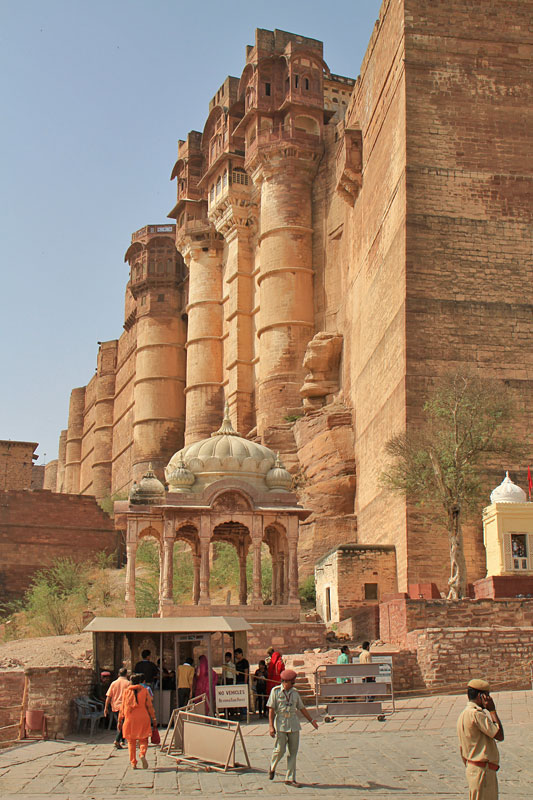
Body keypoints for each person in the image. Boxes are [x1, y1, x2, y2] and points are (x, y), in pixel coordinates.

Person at [267, 668, 319, 787]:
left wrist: (311, 721)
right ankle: (273, 766)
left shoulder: (295, 693)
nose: (293, 684)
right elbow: (271, 710)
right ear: (285, 681)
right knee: (280, 749)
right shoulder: (275, 692)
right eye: (292, 682)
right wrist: (270, 726)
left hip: (293, 724)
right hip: (280, 723)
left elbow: (301, 708)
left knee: (293, 752)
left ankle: (290, 778)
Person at [457, 678, 504, 800]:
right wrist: (492, 710)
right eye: (487, 696)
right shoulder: (476, 714)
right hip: (482, 771)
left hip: (473, 769)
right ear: (481, 696)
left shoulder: (463, 714)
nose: (489, 699)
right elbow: (499, 735)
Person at [118, 673, 157, 770]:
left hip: (130, 718)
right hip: (143, 717)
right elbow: (149, 706)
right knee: (143, 739)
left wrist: (120, 720)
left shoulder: (126, 692)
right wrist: (154, 718)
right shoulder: (144, 691)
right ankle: (142, 753)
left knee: (131, 741)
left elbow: (122, 707)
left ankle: (133, 762)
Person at [104, 667, 130, 749]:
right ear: (126, 674)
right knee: (123, 724)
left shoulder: (113, 683)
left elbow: (108, 696)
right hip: (125, 706)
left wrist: (106, 707)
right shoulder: (128, 683)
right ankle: (117, 740)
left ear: (118, 674)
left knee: (120, 723)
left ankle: (122, 740)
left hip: (115, 706)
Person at [234, 647, 250, 719]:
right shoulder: (237, 663)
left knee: (243, 698)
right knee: (239, 698)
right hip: (238, 681)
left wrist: (245, 683)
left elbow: (246, 672)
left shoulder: (244, 662)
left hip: (243, 682)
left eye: (237, 654)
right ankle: (240, 713)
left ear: (241, 654)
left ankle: (244, 713)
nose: (236, 656)